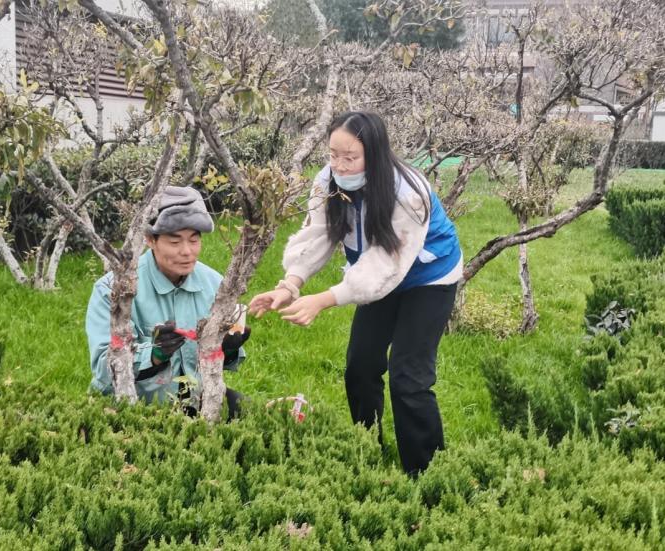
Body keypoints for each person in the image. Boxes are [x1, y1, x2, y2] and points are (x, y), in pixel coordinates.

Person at [247, 111, 462, 476]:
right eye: (333, 155)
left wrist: (323, 300)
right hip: (374, 273)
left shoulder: (408, 192)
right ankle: (366, 448)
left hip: (428, 278)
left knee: (409, 377)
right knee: (360, 367)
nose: (340, 165)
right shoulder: (328, 182)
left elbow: (385, 265)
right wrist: (290, 284)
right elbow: (318, 234)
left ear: (374, 154)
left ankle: (426, 472)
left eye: (351, 157)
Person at [86, 186, 249, 418]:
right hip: (132, 404)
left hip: (193, 397)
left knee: (249, 414)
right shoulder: (113, 290)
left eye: (194, 240)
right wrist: (153, 355)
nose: (187, 251)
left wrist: (227, 348)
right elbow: (103, 368)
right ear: (150, 240)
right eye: (174, 242)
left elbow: (215, 366)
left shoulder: (215, 285)